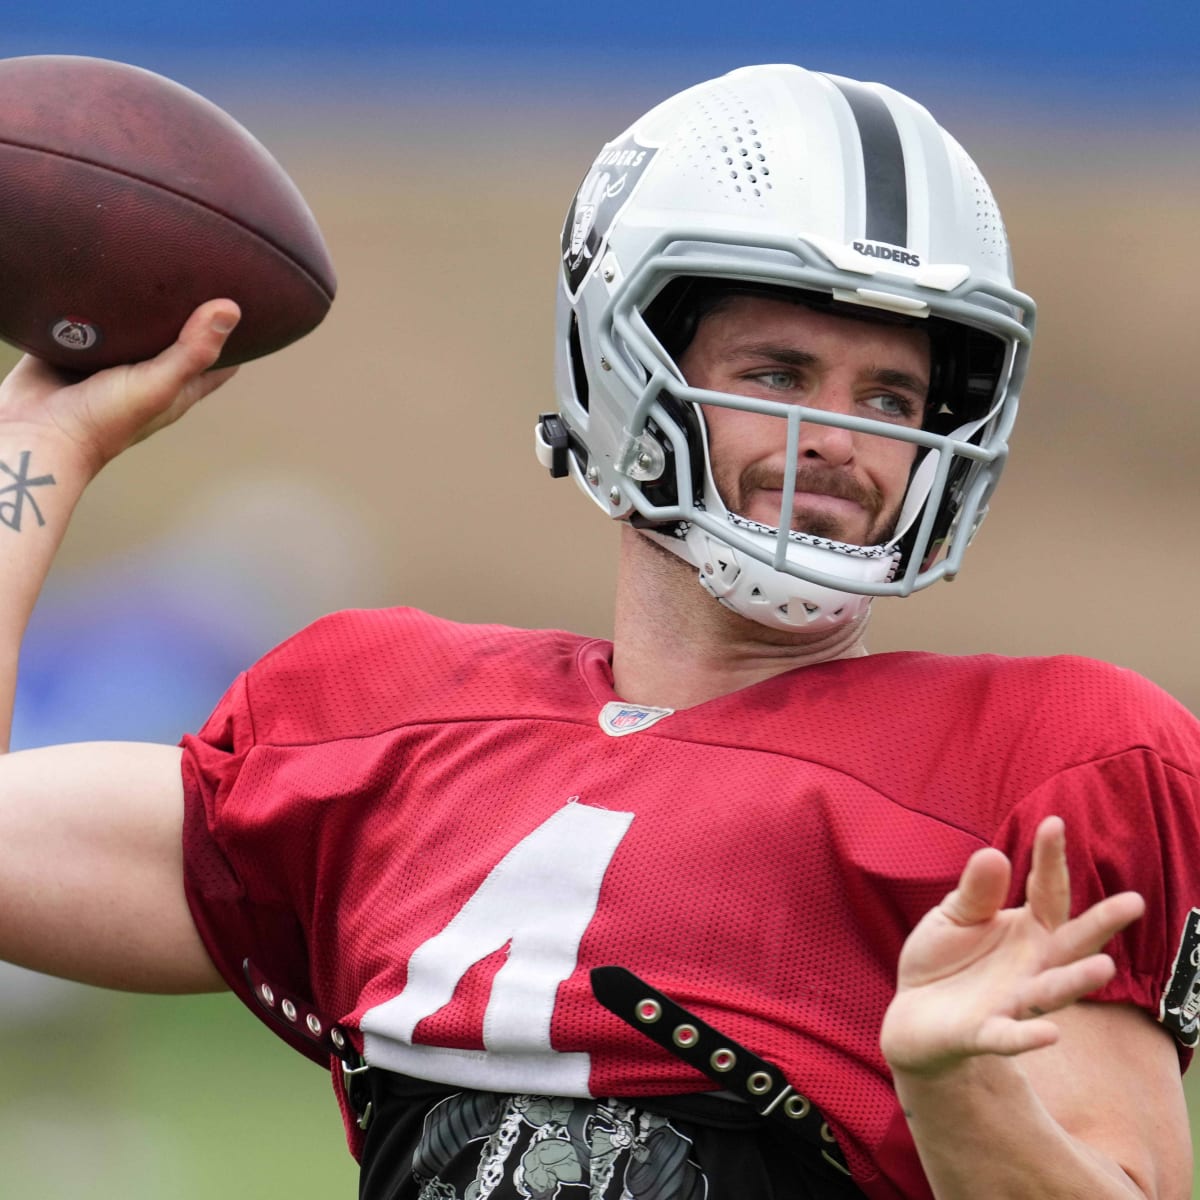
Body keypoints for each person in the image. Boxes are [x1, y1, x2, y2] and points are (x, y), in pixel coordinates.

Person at [0, 62, 1195, 1200]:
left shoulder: (1034, 771)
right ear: (623, 372)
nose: (840, 438)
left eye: (889, 396)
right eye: (779, 372)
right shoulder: (376, 733)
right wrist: (43, 448)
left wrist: (956, 1093)